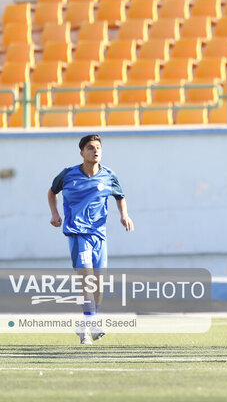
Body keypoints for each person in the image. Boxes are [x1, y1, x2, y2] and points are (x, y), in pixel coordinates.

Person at [48, 134, 134, 345]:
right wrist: (55, 213)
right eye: (90, 148)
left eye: (98, 148)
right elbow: (52, 192)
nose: (95, 151)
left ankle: (85, 324)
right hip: (78, 233)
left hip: (99, 235)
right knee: (86, 278)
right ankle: (92, 323)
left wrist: (124, 215)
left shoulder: (108, 176)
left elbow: (120, 196)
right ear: (82, 153)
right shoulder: (68, 175)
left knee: (99, 285)